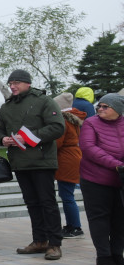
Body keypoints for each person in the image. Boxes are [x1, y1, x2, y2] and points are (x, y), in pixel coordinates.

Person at [0, 69, 66, 260]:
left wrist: (28, 138)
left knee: (47, 202)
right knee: (32, 203)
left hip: (42, 161)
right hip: (20, 162)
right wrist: (3, 139)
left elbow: (57, 127)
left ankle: (54, 243)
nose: (12, 86)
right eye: (10, 83)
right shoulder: (6, 107)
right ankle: (39, 241)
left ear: (27, 83)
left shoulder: (44, 101)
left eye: (16, 83)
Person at [78, 94, 124, 265]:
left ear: (118, 109)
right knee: (100, 219)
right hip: (95, 179)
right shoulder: (91, 123)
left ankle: (117, 255)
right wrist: (117, 165)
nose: (100, 109)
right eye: (100, 106)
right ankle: (103, 256)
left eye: (106, 106)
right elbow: (89, 148)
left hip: (119, 180)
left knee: (120, 220)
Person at [53, 93, 86, 239]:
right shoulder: (74, 118)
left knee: (67, 196)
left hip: (66, 160)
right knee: (67, 195)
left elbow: (57, 143)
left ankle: (75, 227)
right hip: (74, 157)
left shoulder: (63, 121)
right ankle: (72, 225)